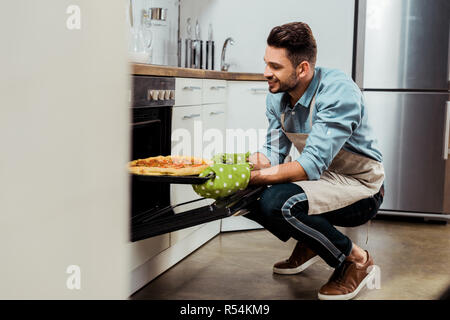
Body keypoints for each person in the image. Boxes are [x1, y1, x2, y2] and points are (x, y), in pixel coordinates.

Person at [245, 22, 385, 300]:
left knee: (278, 203)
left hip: (361, 186)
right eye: (266, 64)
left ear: (303, 69)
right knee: (244, 194)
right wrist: (245, 168)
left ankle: (357, 260)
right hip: (322, 180)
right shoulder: (277, 96)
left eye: (275, 66)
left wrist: (257, 177)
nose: (266, 74)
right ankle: (313, 242)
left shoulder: (337, 92)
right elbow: (273, 152)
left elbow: (309, 165)